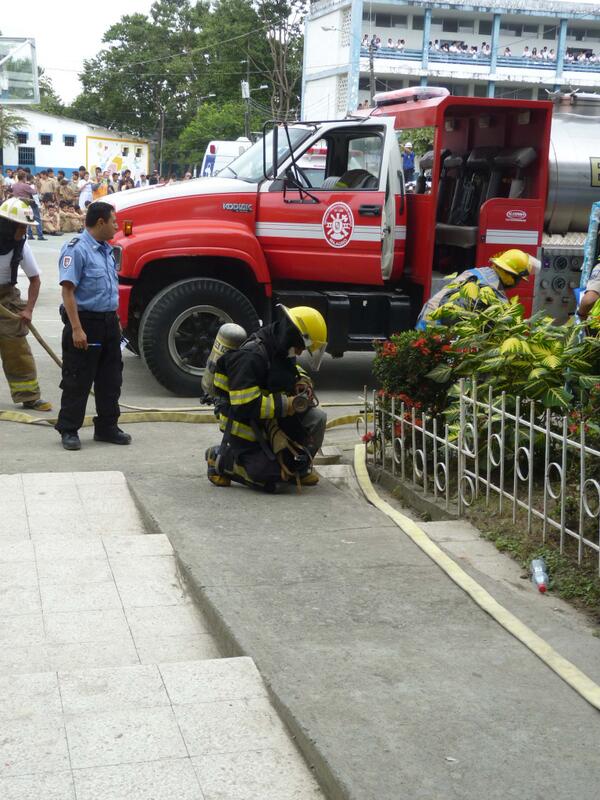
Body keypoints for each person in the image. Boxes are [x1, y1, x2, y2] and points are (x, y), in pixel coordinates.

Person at [205, 305, 328, 491]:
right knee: (275, 481)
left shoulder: (281, 348)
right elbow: (244, 405)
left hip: (270, 423)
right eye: (301, 347)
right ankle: (222, 459)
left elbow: (291, 370)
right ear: (292, 335)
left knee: (317, 418)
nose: (301, 352)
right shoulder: (251, 357)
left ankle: (299, 469)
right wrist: (286, 405)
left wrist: (302, 380)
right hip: (246, 429)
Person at [54, 201, 131, 451]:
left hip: (108, 322)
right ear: (101, 223)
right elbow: (68, 292)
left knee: (111, 379)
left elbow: (108, 291)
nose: (117, 227)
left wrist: (116, 322)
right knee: (78, 378)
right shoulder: (77, 249)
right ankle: (69, 429)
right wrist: (76, 328)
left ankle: (107, 428)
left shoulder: (106, 250)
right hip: (86, 323)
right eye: (114, 222)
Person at [0, 198, 52, 412]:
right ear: (7, 225)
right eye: (23, 226)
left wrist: (28, 309)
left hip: (7, 298)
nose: (25, 232)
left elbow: (35, 280)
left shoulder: (22, 245)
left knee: (17, 349)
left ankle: (29, 396)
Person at [416, 249, 540, 328]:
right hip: (437, 329)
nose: (517, 284)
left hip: (426, 318)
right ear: (510, 276)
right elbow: (503, 327)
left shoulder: (477, 272)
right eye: (518, 279)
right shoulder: (493, 293)